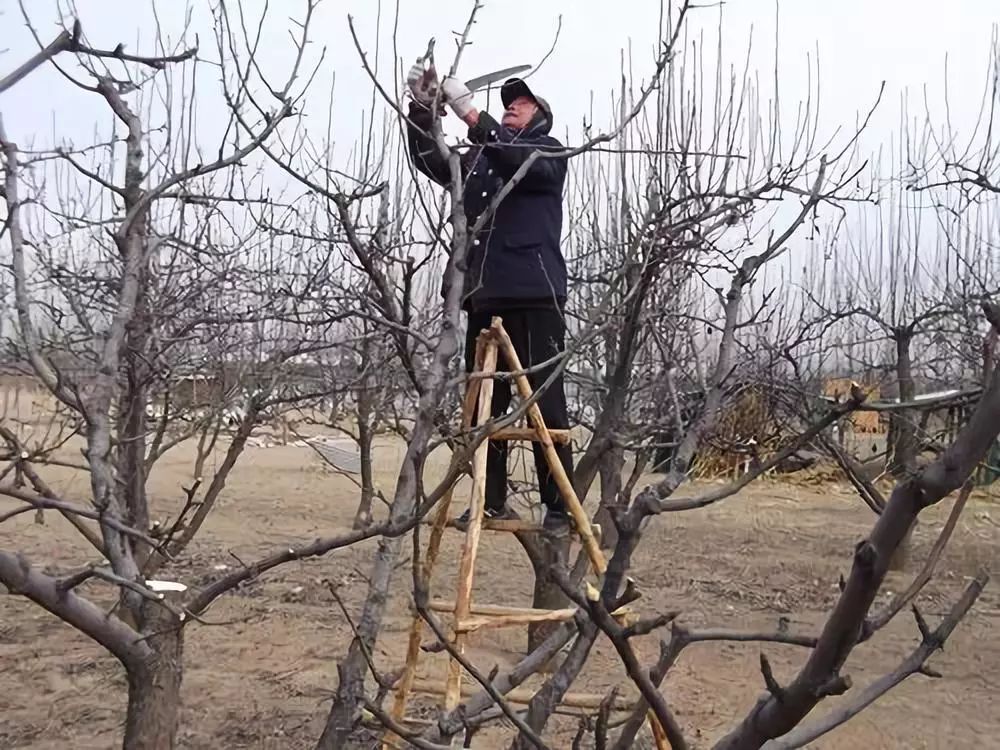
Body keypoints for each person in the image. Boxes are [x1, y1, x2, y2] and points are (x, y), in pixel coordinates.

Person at [404, 63, 572, 530]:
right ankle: (489, 498)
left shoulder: (547, 152)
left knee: (544, 399)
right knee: (484, 405)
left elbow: (510, 155)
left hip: (535, 293)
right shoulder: (481, 159)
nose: (512, 105)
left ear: (541, 115)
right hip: (483, 295)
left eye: (523, 102)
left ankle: (558, 505)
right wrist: (421, 110)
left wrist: (470, 113)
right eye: (508, 103)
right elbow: (431, 161)